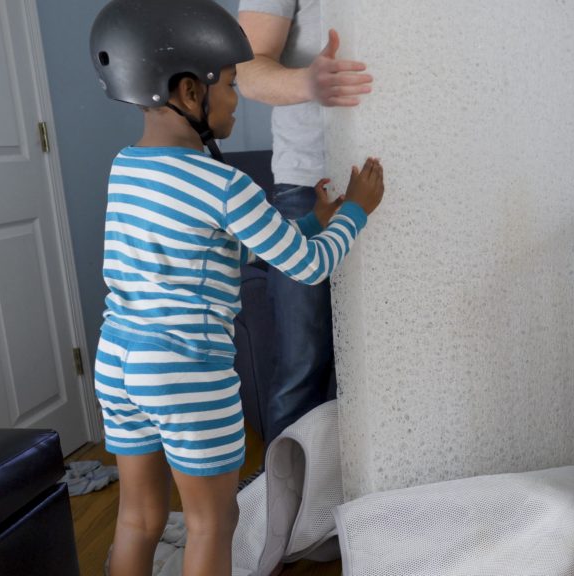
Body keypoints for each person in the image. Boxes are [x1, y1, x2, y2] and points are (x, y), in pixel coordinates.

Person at [88, 1, 384, 573]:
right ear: (188, 93)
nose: (236, 95)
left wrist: (311, 219)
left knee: (138, 518)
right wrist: (356, 212)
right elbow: (308, 267)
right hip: (186, 370)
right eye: (227, 83)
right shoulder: (224, 184)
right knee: (211, 523)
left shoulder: (126, 167)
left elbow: (234, 248)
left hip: (119, 360)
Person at [235, 1, 374, 444]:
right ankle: (285, 510)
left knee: (396, 362)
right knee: (303, 363)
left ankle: (373, 510)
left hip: (405, 178)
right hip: (314, 181)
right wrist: (307, 82)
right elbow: (247, 69)